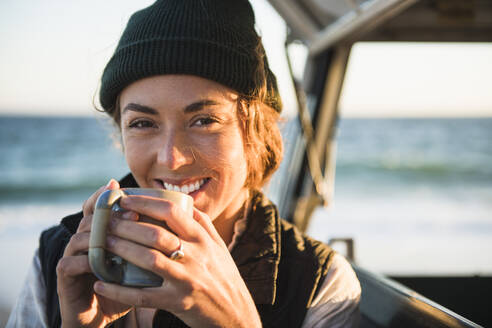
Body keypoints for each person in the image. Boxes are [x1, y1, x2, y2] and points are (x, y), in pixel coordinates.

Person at [7, 0, 360, 327]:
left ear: (256, 131)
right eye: (143, 123)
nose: (171, 158)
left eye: (204, 120)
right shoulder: (57, 258)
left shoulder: (320, 282)